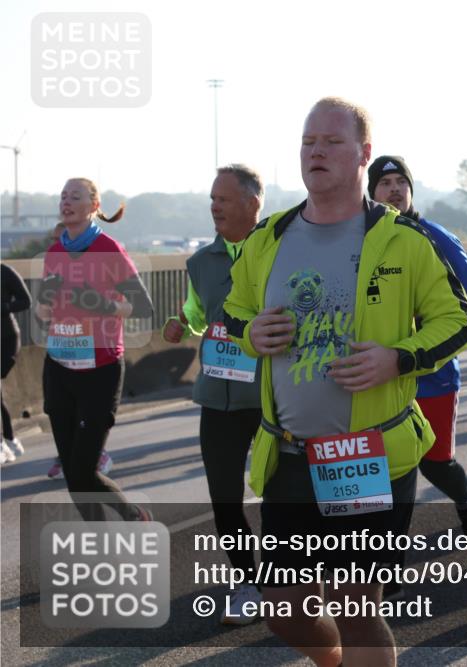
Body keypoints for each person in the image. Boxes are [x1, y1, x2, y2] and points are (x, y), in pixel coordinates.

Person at [222, 97, 467, 666]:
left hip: (362, 457)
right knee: (282, 606)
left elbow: (459, 320)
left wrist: (399, 358)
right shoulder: (269, 238)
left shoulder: (405, 241)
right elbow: (234, 310)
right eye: (308, 141)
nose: (316, 151)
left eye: (332, 141)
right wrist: (251, 331)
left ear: (363, 153)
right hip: (288, 453)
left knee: (356, 604)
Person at [368, 154, 467, 562]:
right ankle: (390, 565)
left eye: (402, 182)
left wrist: (423, 327)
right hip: (377, 377)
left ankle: (466, 500)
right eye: (385, 183)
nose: (395, 189)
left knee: (434, 465)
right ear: (370, 192)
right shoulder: (356, 242)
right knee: (383, 470)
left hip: (431, 376)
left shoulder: (434, 237)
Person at [161, 164, 265, 624]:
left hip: (270, 398)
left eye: (223, 199)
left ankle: (300, 579)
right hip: (217, 397)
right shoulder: (201, 261)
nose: (214, 207)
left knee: (286, 497)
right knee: (225, 498)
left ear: (252, 203)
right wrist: (183, 322)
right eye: (212, 199)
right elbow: (198, 311)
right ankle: (248, 583)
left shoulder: (280, 253)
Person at [35, 178, 154, 521]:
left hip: (100, 370)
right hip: (58, 367)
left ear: (94, 205)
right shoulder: (55, 252)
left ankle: (132, 514)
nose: (66, 201)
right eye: (62, 196)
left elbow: (143, 307)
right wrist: (46, 302)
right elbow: (43, 314)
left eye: (75, 196)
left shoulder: (109, 250)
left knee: (84, 471)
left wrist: (102, 304)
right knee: (74, 477)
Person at [1, 263, 31, 463]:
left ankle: (7, 442)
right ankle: (9, 440)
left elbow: (25, 301)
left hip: (7, 339)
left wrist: (3, 307)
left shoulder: (4, 272)